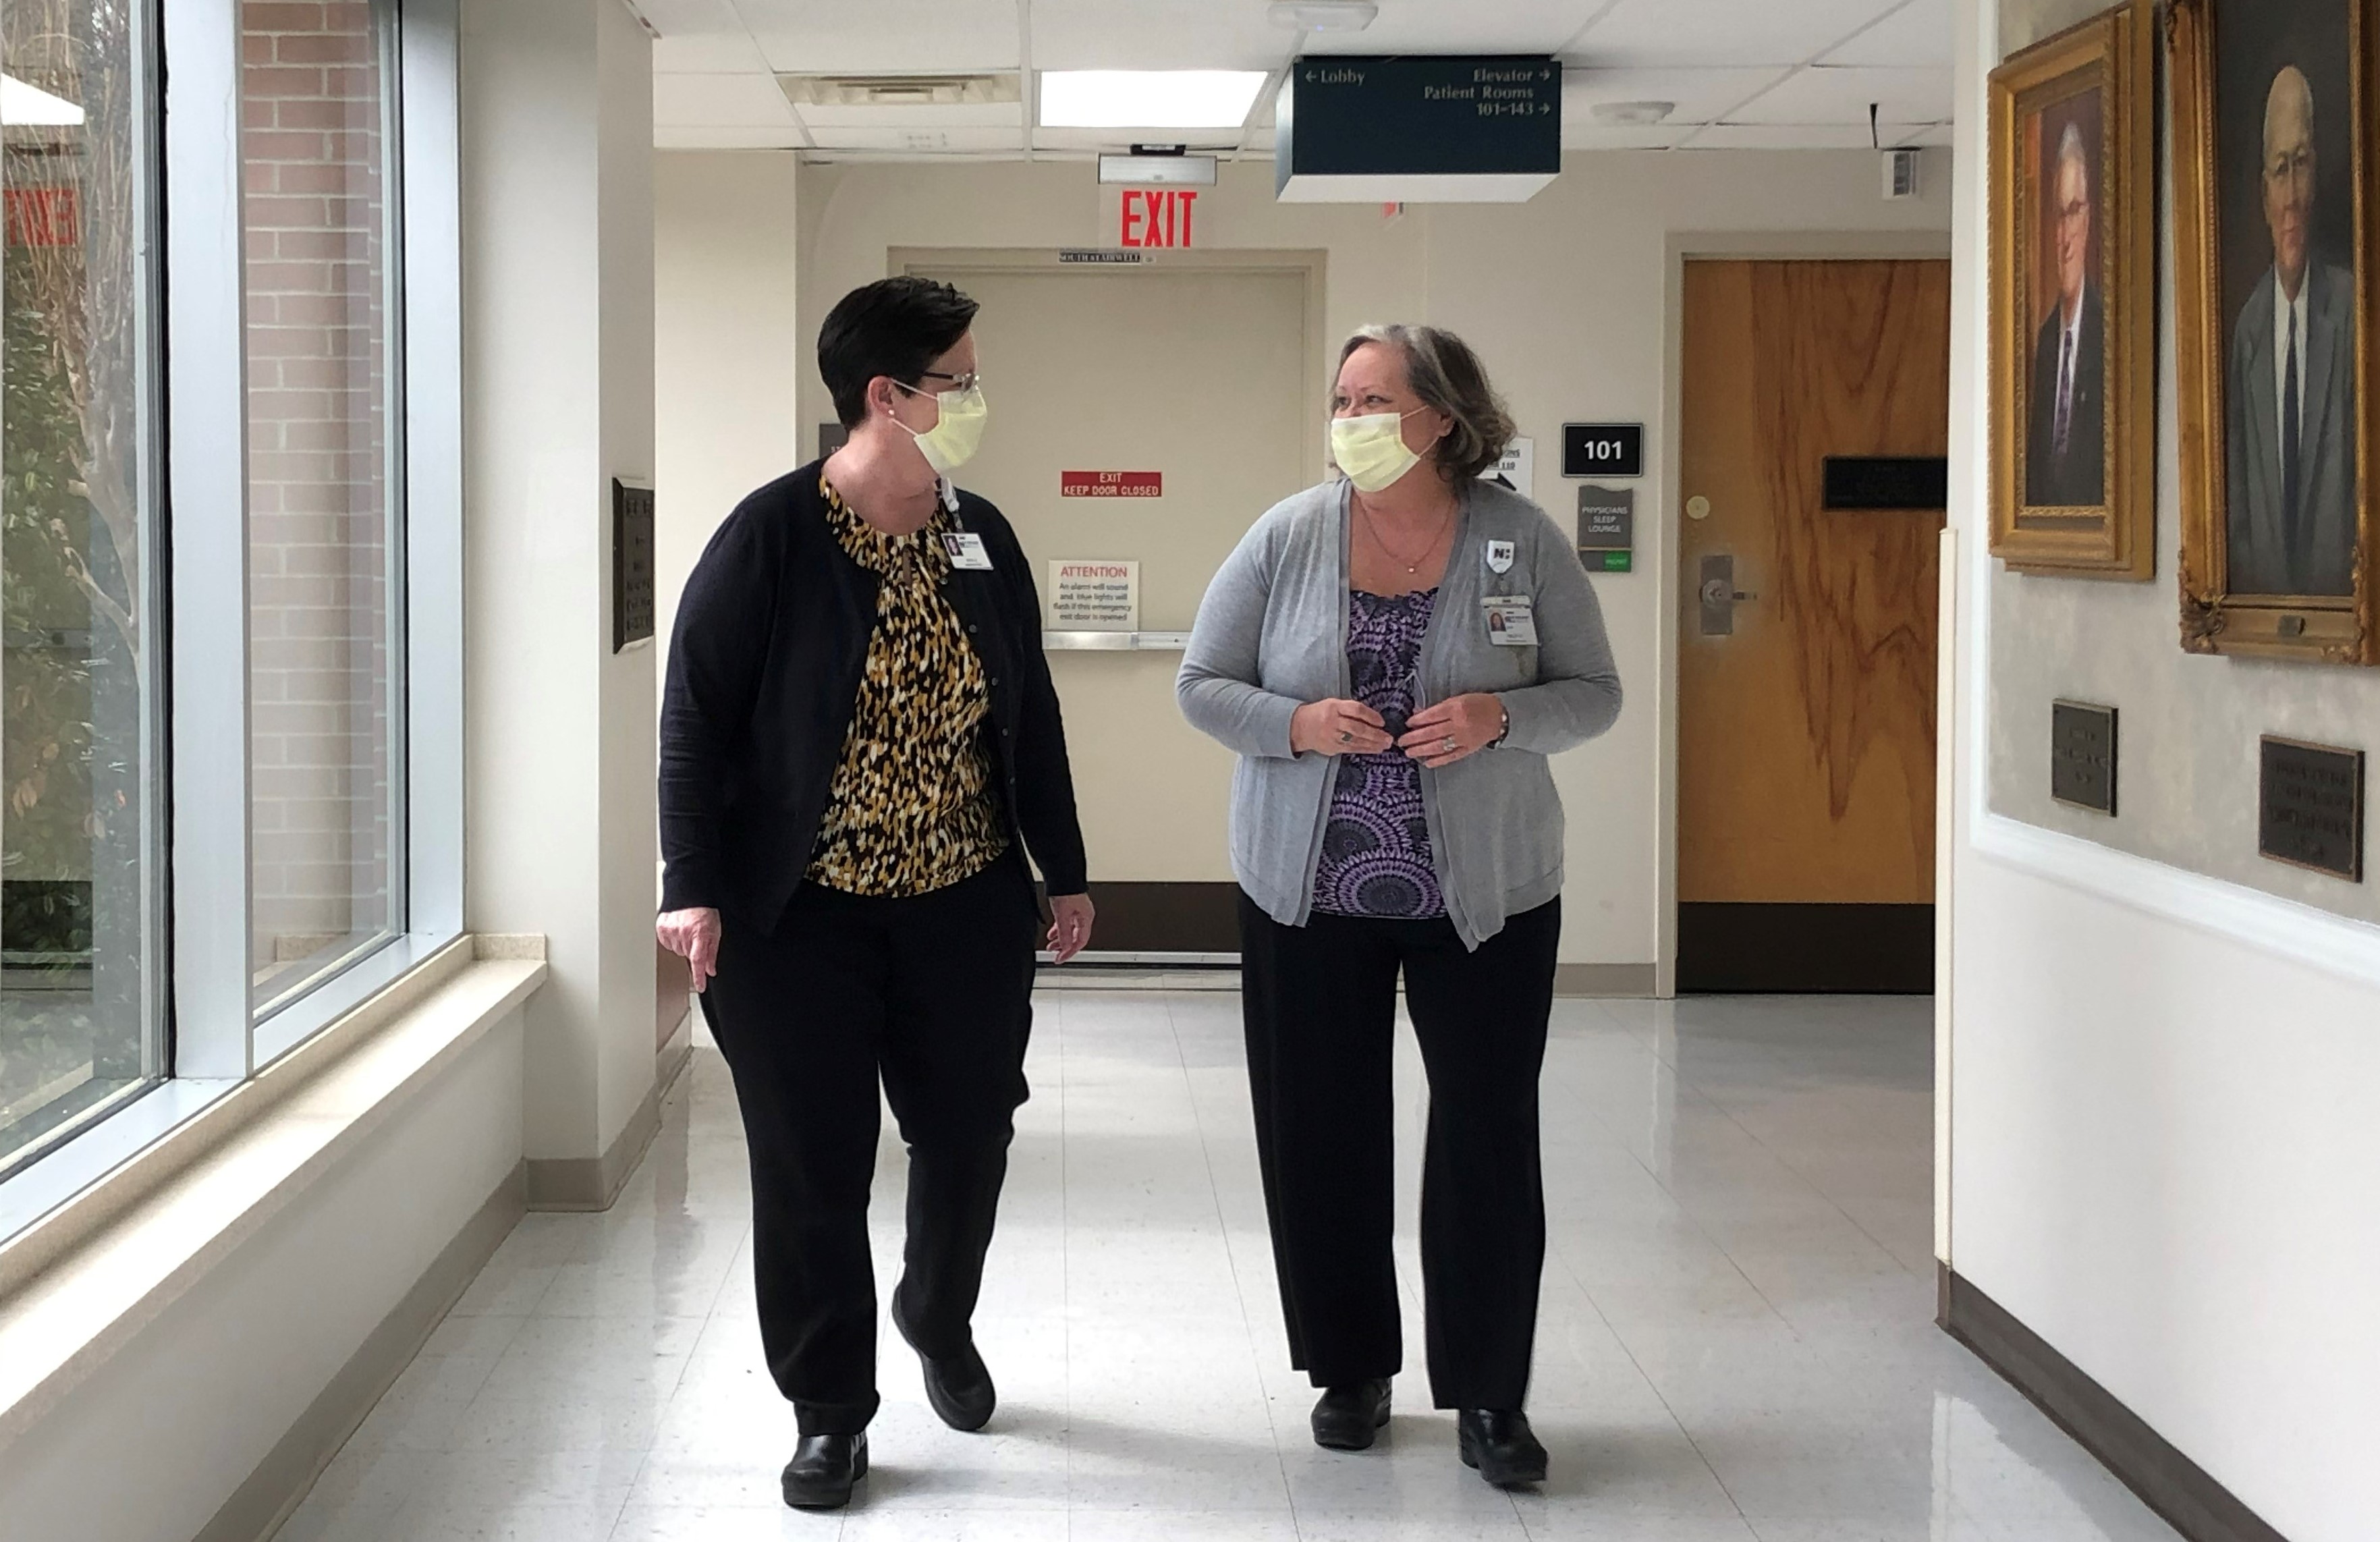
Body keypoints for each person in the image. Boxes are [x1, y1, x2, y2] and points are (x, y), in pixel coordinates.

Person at [657, 276, 1095, 1510]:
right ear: (885, 397)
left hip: (961, 905)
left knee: (968, 1137)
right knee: (812, 1166)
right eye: (955, 377)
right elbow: (693, 727)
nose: (974, 397)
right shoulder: (772, 535)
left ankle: (935, 1312)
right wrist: (692, 887)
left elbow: (1031, 716)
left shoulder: (980, 533)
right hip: (800, 918)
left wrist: (1062, 871)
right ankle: (829, 1413)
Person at [1177, 324, 1622, 1489]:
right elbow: (1202, 682)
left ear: (1442, 417)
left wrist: (1500, 718)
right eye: (1341, 399)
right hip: (1305, 892)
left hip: (1486, 897)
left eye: (1373, 399)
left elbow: (1595, 691)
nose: (1350, 421)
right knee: (1319, 1130)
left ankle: (1489, 1396)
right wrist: (1294, 724)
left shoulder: (1520, 542)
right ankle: (1350, 1369)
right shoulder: (1287, 535)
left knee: (1485, 1138)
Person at [2225, 64, 2358, 597]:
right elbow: (2235, 518)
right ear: (2262, 195)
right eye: (2280, 170)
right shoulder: (2247, 335)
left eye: (2300, 164)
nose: (2292, 196)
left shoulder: (2353, 312)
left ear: (2317, 172)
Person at [2026, 121, 2105, 507]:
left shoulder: (2109, 336)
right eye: (2059, 215)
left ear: (2089, 219)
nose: (2064, 236)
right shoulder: (2044, 342)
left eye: (2073, 212)